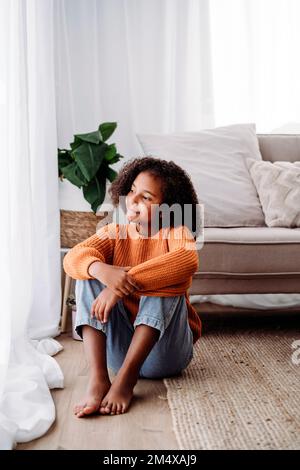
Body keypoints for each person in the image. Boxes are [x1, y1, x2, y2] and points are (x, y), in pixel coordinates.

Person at [63, 156, 202, 418]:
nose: (134, 200)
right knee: (88, 269)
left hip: (165, 355)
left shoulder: (176, 232)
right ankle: (99, 379)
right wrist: (102, 271)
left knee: (167, 273)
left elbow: (187, 260)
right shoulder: (115, 233)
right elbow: (73, 258)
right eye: (132, 191)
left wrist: (119, 286)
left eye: (147, 197)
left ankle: (126, 381)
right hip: (119, 353)